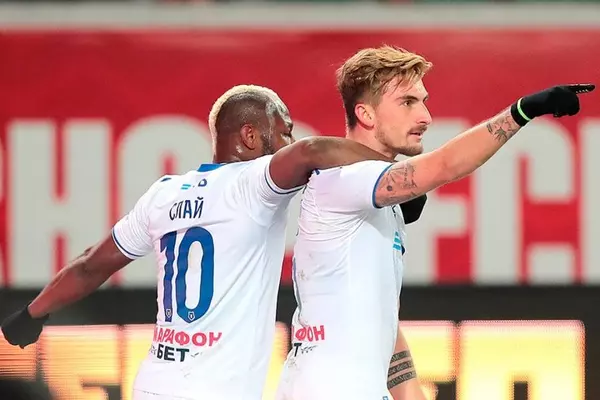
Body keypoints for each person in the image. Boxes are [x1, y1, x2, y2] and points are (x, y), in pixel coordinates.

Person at [0, 84, 425, 400]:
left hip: (155, 385)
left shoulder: (164, 193)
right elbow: (311, 152)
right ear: (251, 137)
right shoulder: (254, 184)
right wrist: (393, 173)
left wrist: (33, 312)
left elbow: (92, 264)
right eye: (283, 132)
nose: (289, 143)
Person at [275, 45, 594, 400]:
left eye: (423, 101)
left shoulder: (380, 201)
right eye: (407, 102)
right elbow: (445, 165)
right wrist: (523, 111)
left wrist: (412, 394)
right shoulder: (345, 180)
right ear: (366, 114)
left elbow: (383, 323)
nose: (425, 116)